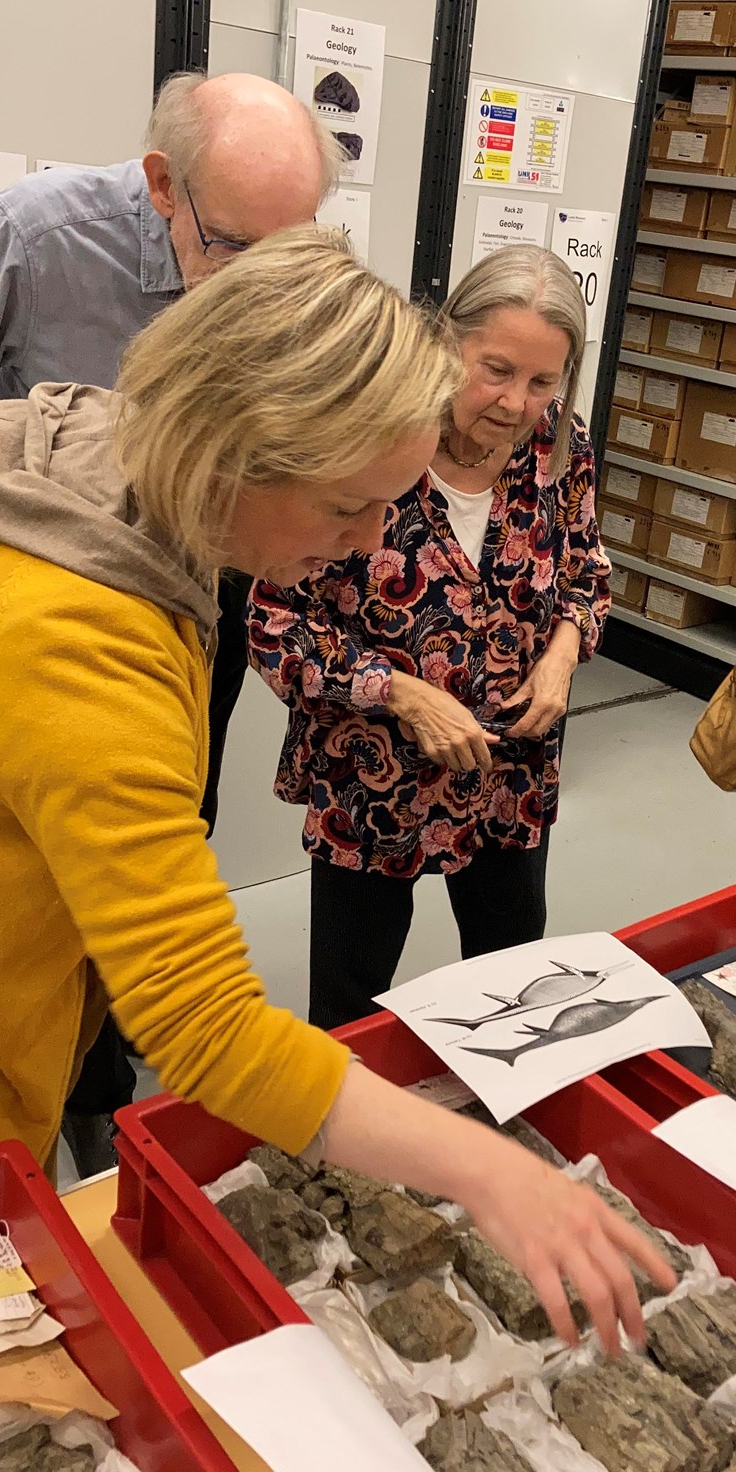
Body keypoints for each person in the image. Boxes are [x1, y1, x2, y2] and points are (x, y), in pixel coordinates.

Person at [0, 228, 671, 1352]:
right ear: (230, 452)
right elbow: (201, 1020)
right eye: (346, 507)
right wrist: (491, 1169)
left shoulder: (86, 490)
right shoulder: (71, 632)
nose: (362, 540)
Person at [0, 70, 338, 1174]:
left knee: (168, 808)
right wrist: (60, 461)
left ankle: (94, 1067)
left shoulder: (270, 245)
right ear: (160, 187)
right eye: (236, 248)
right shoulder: (35, 235)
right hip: (61, 585)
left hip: (190, 588)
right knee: (25, 867)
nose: (260, 288)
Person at [248, 246, 610, 1029]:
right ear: (449, 341)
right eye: (497, 369)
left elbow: (587, 572)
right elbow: (275, 622)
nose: (518, 403)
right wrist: (402, 694)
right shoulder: (367, 437)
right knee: (350, 1007)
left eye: (543, 381)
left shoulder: (561, 448)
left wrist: (561, 657)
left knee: (514, 985)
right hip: (374, 786)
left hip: (510, 773)